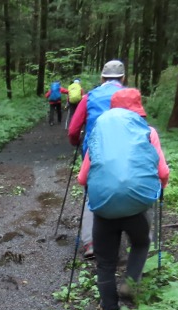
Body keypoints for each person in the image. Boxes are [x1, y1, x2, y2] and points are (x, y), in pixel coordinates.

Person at [76, 88, 169, 310]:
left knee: (105, 260)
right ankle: (130, 282)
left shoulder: (99, 135)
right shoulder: (149, 133)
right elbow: (163, 172)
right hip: (137, 207)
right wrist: (160, 189)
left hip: (104, 211)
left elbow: (82, 179)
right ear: (138, 110)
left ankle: (109, 308)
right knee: (141, 242)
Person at [67, 60, 126, 259]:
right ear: (123, 78)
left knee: (92, 194)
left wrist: (76, 142)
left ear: (102, 77)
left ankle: (91, 243)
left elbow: (74, 128)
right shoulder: (129, 96)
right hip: (124, 152)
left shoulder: (89, 97)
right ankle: (119, 240)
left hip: (94, 153)